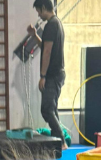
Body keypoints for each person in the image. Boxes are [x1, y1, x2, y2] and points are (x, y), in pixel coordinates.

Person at [24, 0, 66, 144]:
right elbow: (46, 46)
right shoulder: (57, 23)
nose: (38, 15)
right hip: (58, 73)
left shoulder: (51, 25)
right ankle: (59, 140)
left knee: (47, 109)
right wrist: (34, 35)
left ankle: (61, 140)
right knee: (51, 109)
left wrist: (43, 76)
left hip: (53, 75)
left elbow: (47, 52)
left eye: (38, 11)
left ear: (43, 8)